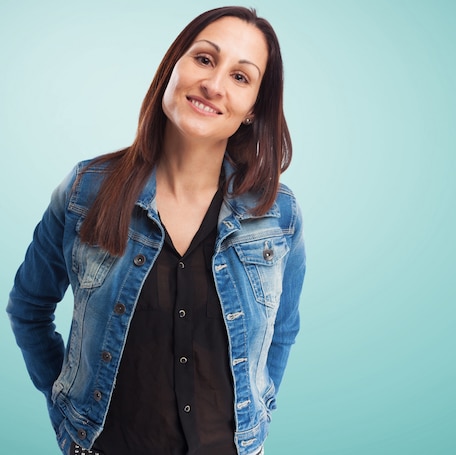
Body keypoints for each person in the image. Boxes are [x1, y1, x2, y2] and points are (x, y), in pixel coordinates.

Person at [7, 6, 305, 455]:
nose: (214, 84)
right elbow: (28, 308)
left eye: (241, 77)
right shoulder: (85, 192)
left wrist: (258, 418)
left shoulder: (277, 214)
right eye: (204, 59)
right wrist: (67, 413)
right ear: (173, 67)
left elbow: (282, 332)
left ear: (251, 110)